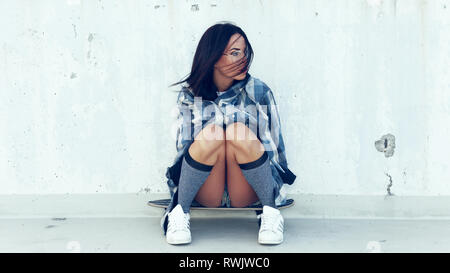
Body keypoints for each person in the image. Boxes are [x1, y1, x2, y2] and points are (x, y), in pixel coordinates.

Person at [161, 21, 297, 245]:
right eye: (234, 53)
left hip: (246, 190)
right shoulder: (190, 95)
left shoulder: (259, 91)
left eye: (244, 53)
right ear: (213, 57)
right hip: (207, 190)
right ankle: (180, 213)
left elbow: (275, 148)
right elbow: (184, 152)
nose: (242, 59)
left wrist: (277, 192)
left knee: (237, 131)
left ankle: (270, 214)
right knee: (213, 133)